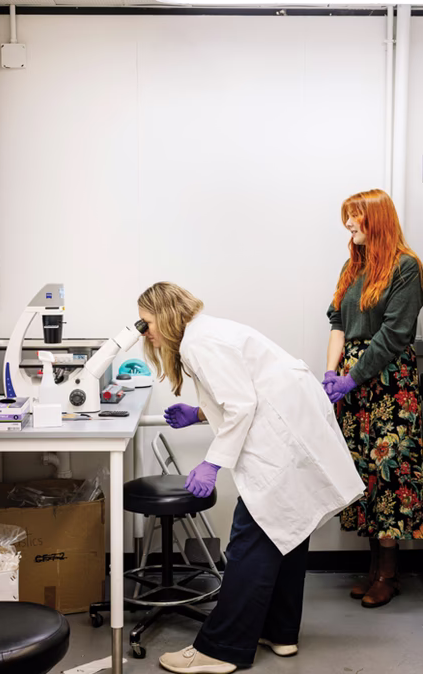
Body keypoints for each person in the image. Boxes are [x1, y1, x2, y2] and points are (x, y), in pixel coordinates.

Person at [137, 282, 363, 674]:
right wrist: (199, 414)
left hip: (280, 440)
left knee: (249, 540)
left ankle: (221, 649)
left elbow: (241, 404)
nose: (146, 333)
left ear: (165, 314)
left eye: (146, 323)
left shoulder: (198, 342)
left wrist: (212, 463)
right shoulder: (208, 332)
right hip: (290, 432)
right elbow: (244, 390)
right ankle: (280, 631)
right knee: (286, 533)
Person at [323, 189, 423, 609]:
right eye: (347, 217)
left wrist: (355, 377)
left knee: (388, 474)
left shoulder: (406, 268)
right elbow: (336, 320)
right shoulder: (355, 265)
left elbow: (394, 335)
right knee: (362, 473)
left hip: (387, 384)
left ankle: (389, 573)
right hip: (352, 379)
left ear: (377, 220)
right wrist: (331, 373)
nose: (349, 225)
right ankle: (372, 569)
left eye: (356, 217)